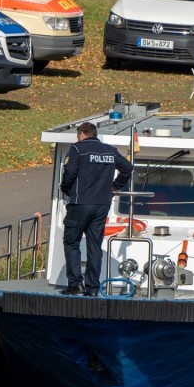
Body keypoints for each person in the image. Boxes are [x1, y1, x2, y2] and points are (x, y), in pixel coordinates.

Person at [60, 122, 133, 296]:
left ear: (83, 134)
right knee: (95, 245)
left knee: (71, 242)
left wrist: (65, 188)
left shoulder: (77, 149)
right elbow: (128, 168)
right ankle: (92, 288)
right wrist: (115, 186)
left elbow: (69, 173)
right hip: (102, 205)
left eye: (78, 135)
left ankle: (75, 284)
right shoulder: (110, 150)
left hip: (80, 204)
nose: (78, 138)